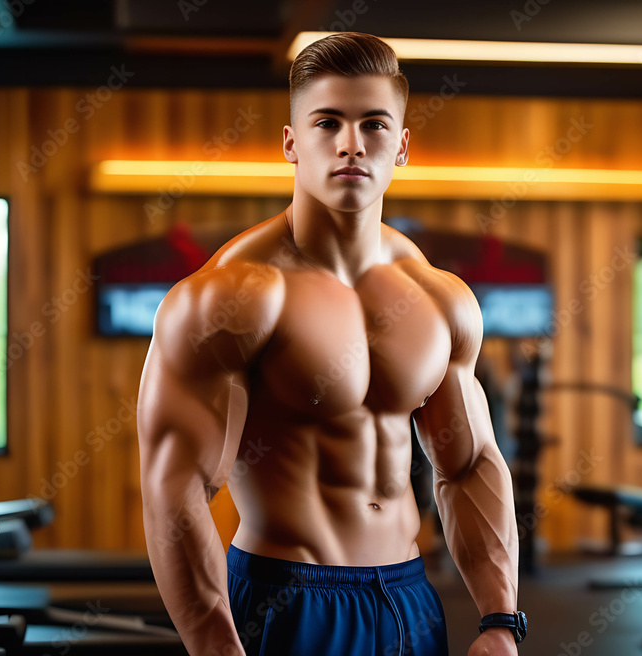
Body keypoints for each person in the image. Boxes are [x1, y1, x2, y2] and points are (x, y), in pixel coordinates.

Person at [136, 32, 526, 656]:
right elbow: (176, 490)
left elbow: (470, 463)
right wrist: (215, 644)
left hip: (408, 599)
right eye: (328, 122)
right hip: (285, 601)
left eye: (373, 124)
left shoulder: (438, 298)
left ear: (401, 147)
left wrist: (500, 619)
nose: (351, 143)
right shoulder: (231, 299)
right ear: (291, 143)